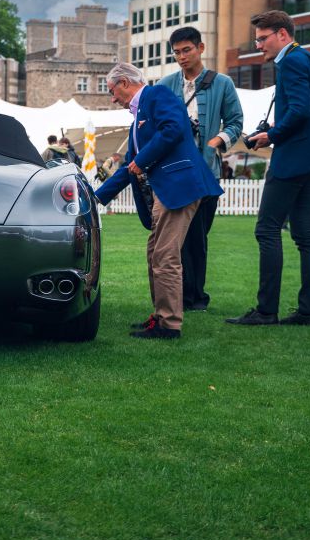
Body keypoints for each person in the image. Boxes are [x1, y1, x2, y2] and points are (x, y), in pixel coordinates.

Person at [94, 62, 223, 339]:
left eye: (112, 91)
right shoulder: (138, 119)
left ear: (125, 83)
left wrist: (142, 160)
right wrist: (96, 199)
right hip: (170, 190)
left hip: (179, 188)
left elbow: (173, 129)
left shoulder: (157, 95)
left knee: (165, 255)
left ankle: (169, 324)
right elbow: (129, 167)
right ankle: (160, 317)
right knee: (156, 252)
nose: (112, 98)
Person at [226, 10, 310, 327]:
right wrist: (278, 127)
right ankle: (308, 312)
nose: (259, 45)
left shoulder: (290, 62)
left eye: (263, 38)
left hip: (293, 159)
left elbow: (301, 110)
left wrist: (271, 134)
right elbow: (306, 110)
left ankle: (266, 311)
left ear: (282, 35)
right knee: (305, 234)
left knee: (266, 229)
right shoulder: (309, 59)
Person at [157, 26, 243, 312]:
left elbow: (235, 122)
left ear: (201, 48)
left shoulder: (222, 84)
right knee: (172, 239)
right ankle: (179, 295)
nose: (181, 57)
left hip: (206, 172)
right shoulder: (165, 85)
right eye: (177, 52)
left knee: (198, 237)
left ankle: (195, 297)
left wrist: (217, 140)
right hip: (173, 173)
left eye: (187, 50)